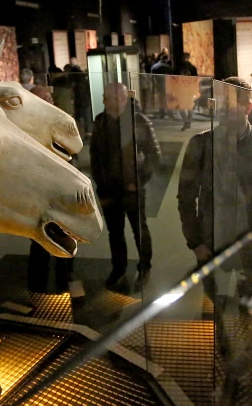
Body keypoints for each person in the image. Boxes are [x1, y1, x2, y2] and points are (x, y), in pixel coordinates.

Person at [177, 77, 252, 293]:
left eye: (228, 102)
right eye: (219, 101)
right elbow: (186, 197)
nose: (221, 108)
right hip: (212, 238)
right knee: (214, 307)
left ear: (248, 107)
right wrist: (195, 242)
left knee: (249, 307)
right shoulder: (200, 144)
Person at [90, 83, 161, 290]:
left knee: (139, 229)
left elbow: (154, 157)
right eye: (104, 97)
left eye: (108, 97)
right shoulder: (101, 121)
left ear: (121, 99)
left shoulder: (139, 122)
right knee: (115, 232)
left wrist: (138, 182)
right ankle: (119, 269)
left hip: (132, 188)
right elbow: (95, 156)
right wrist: (100, 184)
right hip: (108, 188)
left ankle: (145, 267)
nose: (104, 101)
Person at [27, 85, 79, 293]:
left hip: (61, 191)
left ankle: (64, 281)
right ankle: (38, 286)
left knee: (65, 237)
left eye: (49, 97)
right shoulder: (26, 127)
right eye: (43, 98)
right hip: (38, 194)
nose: (48, 101)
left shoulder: (60, 123)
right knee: (39, 241)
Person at [175, 52, 198, 130]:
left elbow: (174, 79)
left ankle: (186, 121)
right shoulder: (193, 68)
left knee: (181, 107)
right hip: (190, 89)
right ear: (189, 57)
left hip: (181, 89)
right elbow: (195, 80)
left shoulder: (178, 68)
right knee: (190, 107)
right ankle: (189, 122)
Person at [151, 54, 173, 120]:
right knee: (168, 100)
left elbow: (152, 78)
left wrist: (154, 86)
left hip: (158, 85)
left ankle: (162, 113)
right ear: (166, 59)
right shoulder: (168, 67)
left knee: (161, 100)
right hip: (167, 85)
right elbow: (171, 77)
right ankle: (170, 114)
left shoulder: (154, 66)